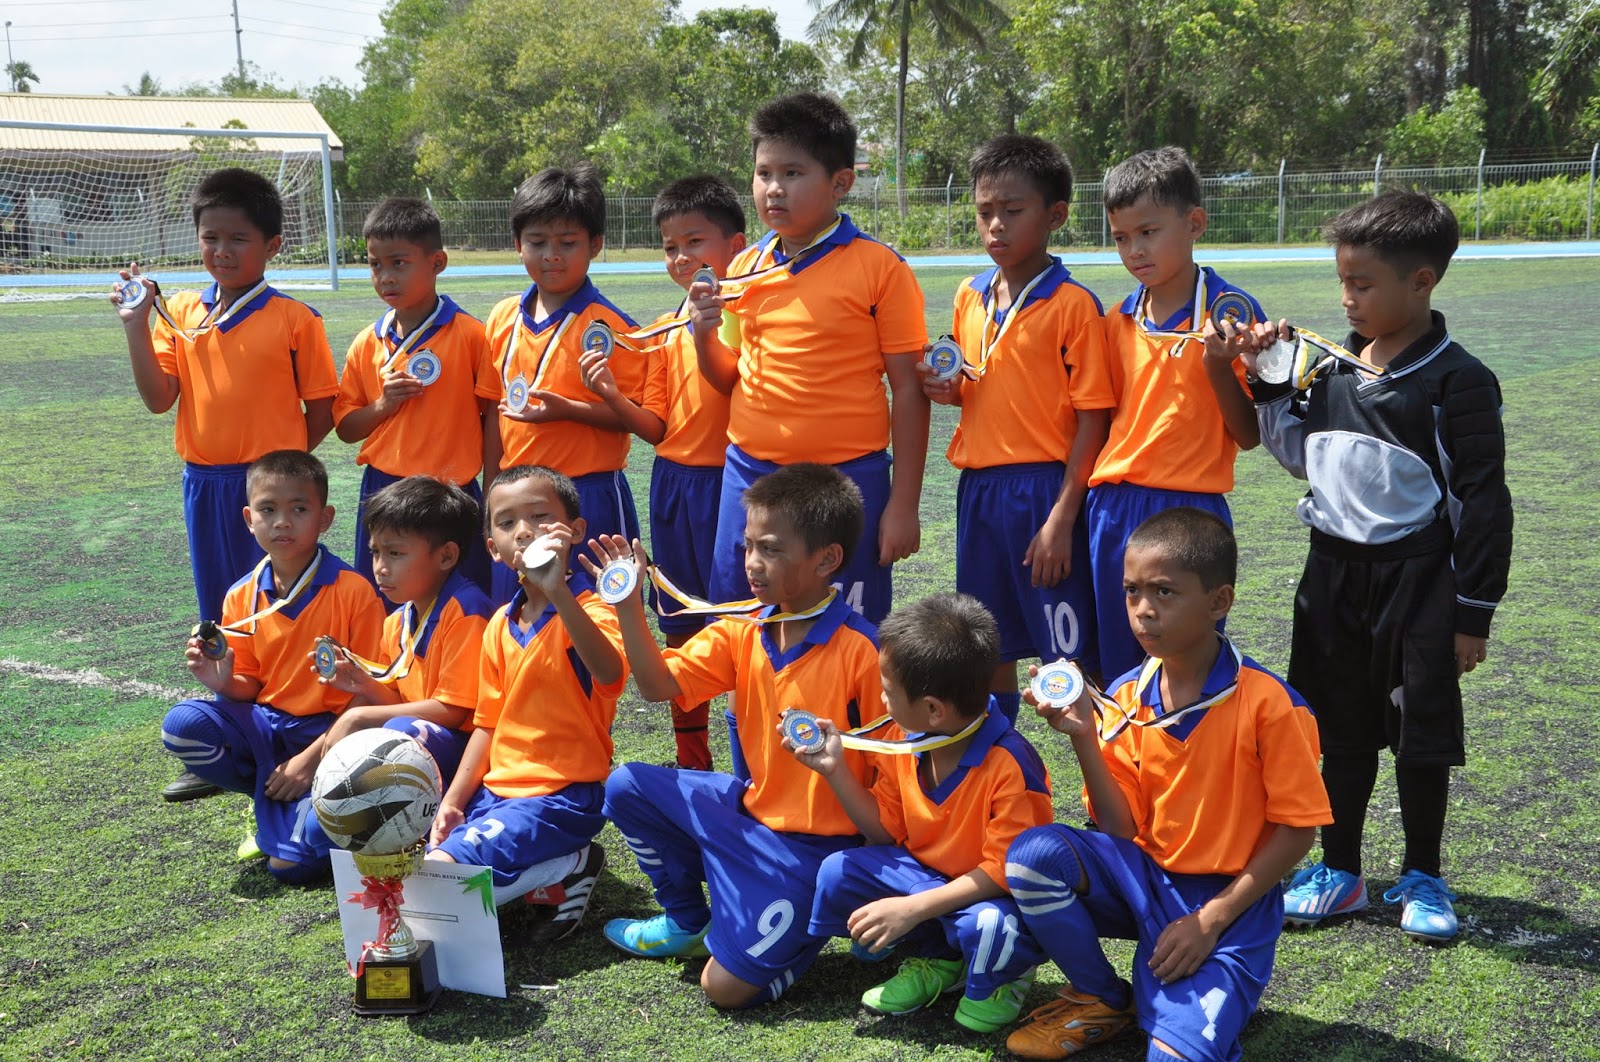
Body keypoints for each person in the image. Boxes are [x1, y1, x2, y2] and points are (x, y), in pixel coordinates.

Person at [1209, 190, 1513, 943]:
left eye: (1364, 284)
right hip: (1331, 578)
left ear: (1423, 282)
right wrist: (1266, 371)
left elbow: (1482, 504)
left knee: (1420, 733)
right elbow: (1292, 456)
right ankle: (1340, 871)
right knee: (1335, 731)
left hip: (1419, 583)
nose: (1348, 298)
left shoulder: (1458, 381)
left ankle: (1423, 875)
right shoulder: (1330, 369)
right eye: (1342, 282)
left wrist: (1472, 613)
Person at [1004, 507, 1332, 1061]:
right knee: (1033, 856)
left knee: (1175, 1057)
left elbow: (1298, 834)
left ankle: (1195, 998)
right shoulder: (1128, 695)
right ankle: (1103, 998)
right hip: (1145, 879)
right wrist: (1085, 736)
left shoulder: (1271, 704)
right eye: (1132, 591)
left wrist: (1209, 921)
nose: (1143, 611)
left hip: (1227, 905)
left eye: (1164, 592)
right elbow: (1120, 829)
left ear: (1219, 602)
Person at [593, 464, 881, 1009]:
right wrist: (629, 606)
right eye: (748, 546)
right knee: (626, 785)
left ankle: (812, 922)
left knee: (723, 990)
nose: (752, 563)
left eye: (770, 549)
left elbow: (893, 784)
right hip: (747, 818)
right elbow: (658, 687)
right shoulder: (742, 626)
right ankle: (687, 919)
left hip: (814, 853)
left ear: (827, 559)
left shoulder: (864, 652)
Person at [113, 168, 339, 802]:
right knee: (221, 604)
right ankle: (229, 732)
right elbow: (159, 400)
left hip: (271, 490)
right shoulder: (178, 312)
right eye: (210, 237)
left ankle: (302, 728)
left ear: (271, 245)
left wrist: (279, 480)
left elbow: (321, 408)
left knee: (289, 603)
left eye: (238, 238)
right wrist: (134, 324)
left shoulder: (295, 318)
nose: (222, 251)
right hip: (206, 484)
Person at [689, 91, 929, 625]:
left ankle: (841, 716)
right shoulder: (743, 266)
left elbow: (908, 389)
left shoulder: (879, 268)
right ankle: (743, 715)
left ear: (840, 183)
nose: (773, 188)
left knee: (846, 634)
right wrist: (703, 336)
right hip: (750, 474)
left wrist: (904, 504)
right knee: (741, 626)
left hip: (847, 482)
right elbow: (728, 378)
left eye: (793, 173)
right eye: (763, 172)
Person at [795, 592, 1054, 1034]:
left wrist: (911, 909)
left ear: (933, 709)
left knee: (990, 926)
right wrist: (836, 772)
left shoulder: (1011, 764)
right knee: (841, 872)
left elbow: (1003, 873)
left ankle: (1005, 976)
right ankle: (940, 958)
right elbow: (883, 831)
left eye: (888, 691)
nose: (881, 697)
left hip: (990, 897)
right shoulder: (904, 737)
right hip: (927, 880)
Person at [919, 134, 1114, 718]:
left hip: (1045, 493)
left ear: (1054, 215)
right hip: (979, 492)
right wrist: (950, 389)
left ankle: (1108, 792)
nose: (995, 226)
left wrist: (1061, 517)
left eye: (1012, 210)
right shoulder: (970, 294)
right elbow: (978, 384)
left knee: (1071, 652)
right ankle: (997, 778)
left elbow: (1093, 420)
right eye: (984, 213)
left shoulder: (1074, 305)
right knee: (987, 643)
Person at [581, 174, 747, 770]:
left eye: (694, 242)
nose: (681, 257)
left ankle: (751, 761)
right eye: (670, 246)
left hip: (733, 486)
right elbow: (653, 427)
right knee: (678, 624)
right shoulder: (663, 326)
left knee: (740, 626)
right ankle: (694, 762)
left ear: (736, 245)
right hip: (673, 485)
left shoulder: (749, 314)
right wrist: (610, 395)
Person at [159, 450, 386, 884]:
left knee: (291, 869)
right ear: (249, 518)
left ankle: (302, 801)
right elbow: (250, 686)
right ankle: (263, 798)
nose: (282, 522)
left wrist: (312, 759)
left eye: (299, 509)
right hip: (267, 724)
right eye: (268, 510)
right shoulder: (240, 595)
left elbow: (370, 693)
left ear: (325, 518)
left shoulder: (354, 591)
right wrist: (220, 680)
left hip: (335, 732)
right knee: (183, 725)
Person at [1084, 147, 1265, 683]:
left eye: (1148, 231)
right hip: (1114, 508)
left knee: (1188, 667)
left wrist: (1216, 362)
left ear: (1194, 224)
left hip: (1192, 509)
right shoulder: (1115, 320)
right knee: (1117, 664)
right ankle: (1125, 766)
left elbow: (1249, 434)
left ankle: (1193, 763)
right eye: (1120, 237)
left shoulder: (1232, 314)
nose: (1134, 250)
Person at [426, 465, 625, 940]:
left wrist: (557, 588)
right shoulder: (499, 624)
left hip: (562, 798)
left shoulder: (593, 609)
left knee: (440, 876)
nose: (525, 531)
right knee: (420, 856)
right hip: (496, 794)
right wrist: (453, 801)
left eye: (540, 516)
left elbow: (610, 671)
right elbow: (488, 724)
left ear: (574, 531)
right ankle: (559, 869)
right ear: (493, 548)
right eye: (508, 522)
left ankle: (569, 861)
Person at [475, 165, 645, 601]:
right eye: (537, 242)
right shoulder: (501, 318)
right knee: (518, 612)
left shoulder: (613, 327)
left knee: (597, 614)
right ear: (517, 245)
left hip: (589, 493)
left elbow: (633, 419)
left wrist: (566, 410)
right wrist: (492, 491)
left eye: (567, 243)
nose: (551, 255)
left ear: (595, 245)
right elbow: (494, 413)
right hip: (515, 499)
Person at [332, 197, 495, 600]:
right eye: (375, 265)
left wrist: (492, 494)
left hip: (452, 493)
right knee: (384, 600)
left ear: (437, 263)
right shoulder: (366, 342)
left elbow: (494, 419)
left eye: (398, 263)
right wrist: (383, 406)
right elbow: (346, 428)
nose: (385, 276)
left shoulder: (472, 335)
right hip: (383, 488)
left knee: (462, 599)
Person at [313, 475, 495, 788]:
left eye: (395, 553)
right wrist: (366, 685)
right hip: (427, 735)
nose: (381, 567)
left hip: (469, 748)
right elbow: (396, 697)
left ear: (446, 556)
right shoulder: (396, 621)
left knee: (391, 729)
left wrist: (358, 717)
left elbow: (452, 711)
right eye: (375, 553)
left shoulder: (466, 610)